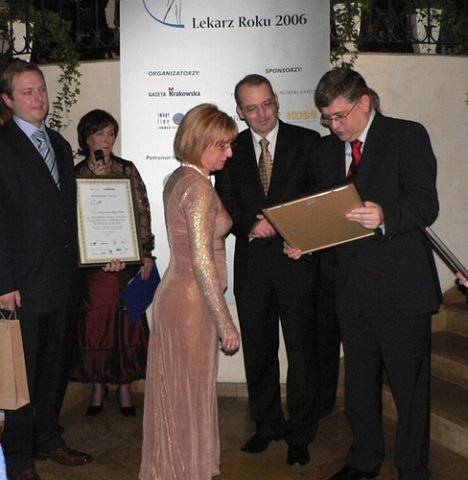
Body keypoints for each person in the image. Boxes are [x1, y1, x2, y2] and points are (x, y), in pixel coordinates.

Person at [285, 68, 441, 480]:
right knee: (358, 383)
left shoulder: (406, 135)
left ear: (365, 102)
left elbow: (426, 204)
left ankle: (412, 466)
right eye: (327, 118)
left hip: (401, 287)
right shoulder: (324, 151)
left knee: (408, 386)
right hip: (350, 288)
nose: (335, 126)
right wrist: (305, 242)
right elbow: (323, 213)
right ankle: (364, 458)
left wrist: (386, 214)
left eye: (340, 115)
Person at [214, 74, 322, 466]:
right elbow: (224, 199)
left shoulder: (308, 142)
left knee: (302, 353)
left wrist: (289, 229)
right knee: (259, 349)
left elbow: (319, 198)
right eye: (251, 108)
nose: (261, 114)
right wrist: (250, 224)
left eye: (267, 104)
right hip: (253, 265)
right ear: (239, 111)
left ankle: (301, 433)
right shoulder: (230, 150)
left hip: (297, 263)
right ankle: (267, 423)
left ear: (277, 100)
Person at [0, 60, 93, 480]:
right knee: (21, 375)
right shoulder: (2, 146)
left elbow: (69, 214)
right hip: (21, 284)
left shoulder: (58, 143)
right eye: (27, 92)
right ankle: (19, 457)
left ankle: (49, 437)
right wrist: (4, 283)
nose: (39, 98)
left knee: (56, 366)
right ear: (7, 100)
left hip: (63, 278)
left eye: (40, 89)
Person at [139, 103, 241, 480]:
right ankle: (185, 470)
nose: (229, 153)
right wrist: (225, 323)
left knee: (178, 393)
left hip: (177, 293)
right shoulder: (197, 188)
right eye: (222, 145)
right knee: (188, 393)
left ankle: (175, 467)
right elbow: (201, 261)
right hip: (191, 301)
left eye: (230, 145)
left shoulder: (181, 176)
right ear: (200, 142)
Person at [69, 109, 155, 417]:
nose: (106, 139)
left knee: (126, 321)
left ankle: (124, 386)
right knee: (95, 324)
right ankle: (97, 385)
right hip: (91, 266)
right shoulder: (75, 173)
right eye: (100, 133)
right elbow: (70, 221)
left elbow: (142, 210)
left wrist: (145, 252)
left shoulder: (126, 169)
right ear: (86, 139)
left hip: (125, 260)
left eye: (110, 133)